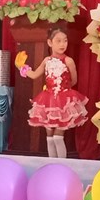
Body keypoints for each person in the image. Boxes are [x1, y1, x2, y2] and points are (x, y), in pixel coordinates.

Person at [20, 26, 89, 158]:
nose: (63, 44)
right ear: (50, 42)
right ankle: (51, 163)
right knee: (50, 136)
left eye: (65, 40)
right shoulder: (47, 60)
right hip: (48, 100)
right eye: (58, 41)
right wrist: (22, 67)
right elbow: (34, 74)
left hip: (63, 100)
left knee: (58, 136)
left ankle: (62, 163)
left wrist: (62, 89)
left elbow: (74, 80)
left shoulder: (68, 60)